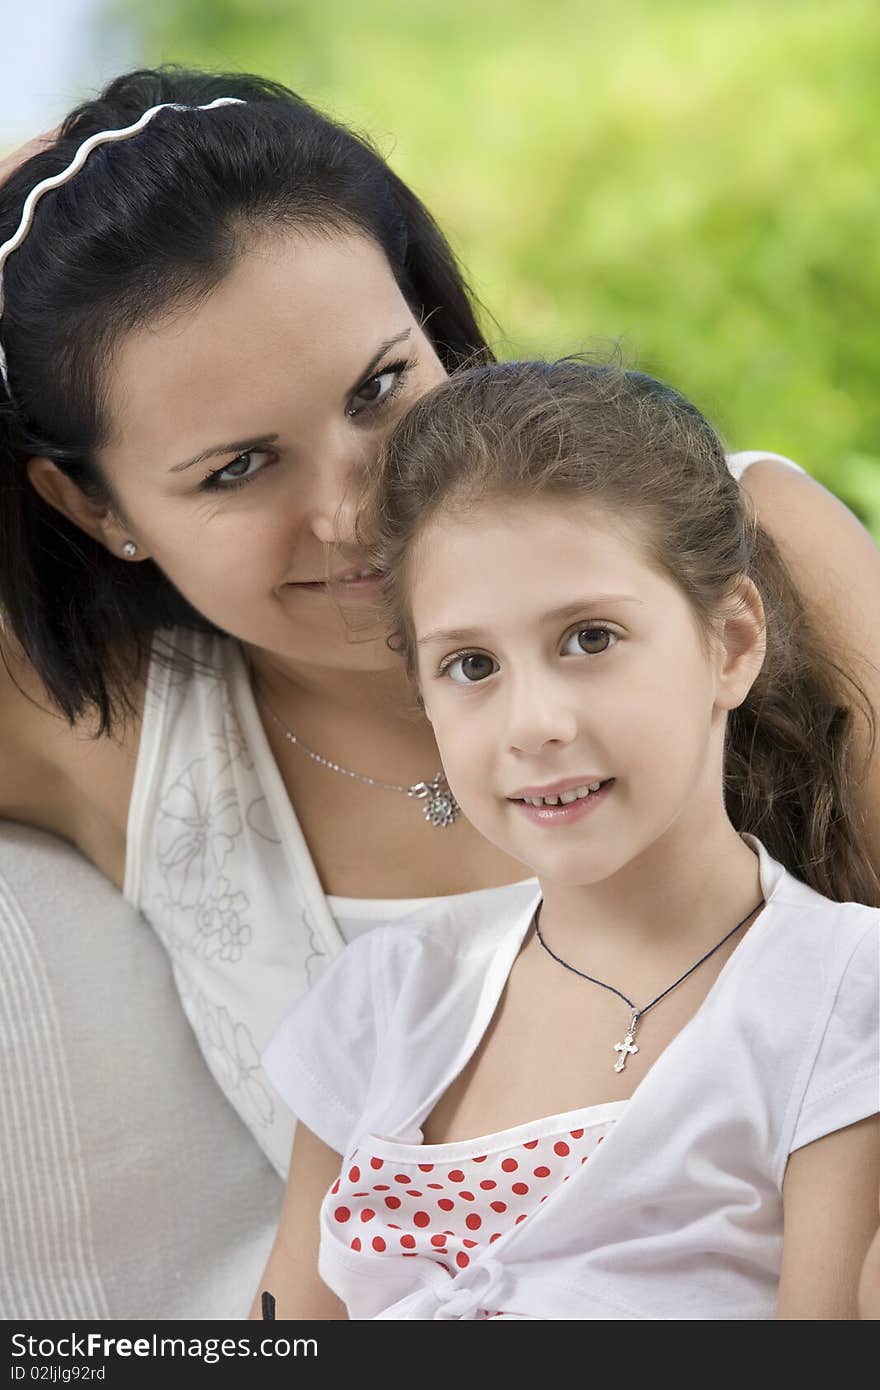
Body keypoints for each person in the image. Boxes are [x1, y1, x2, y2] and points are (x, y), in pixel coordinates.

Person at [1, 67, 879, 1311]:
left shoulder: (745, 553)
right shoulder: (117, 738)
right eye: (238, 467)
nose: (362, 505)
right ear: (94, 506)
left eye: (378, 388)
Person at [257, 359, 880, 1320]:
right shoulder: (384, 1002)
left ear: (731, 643)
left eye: (589, 638)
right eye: (470, 664)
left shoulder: (844, 998)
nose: (531, 723)